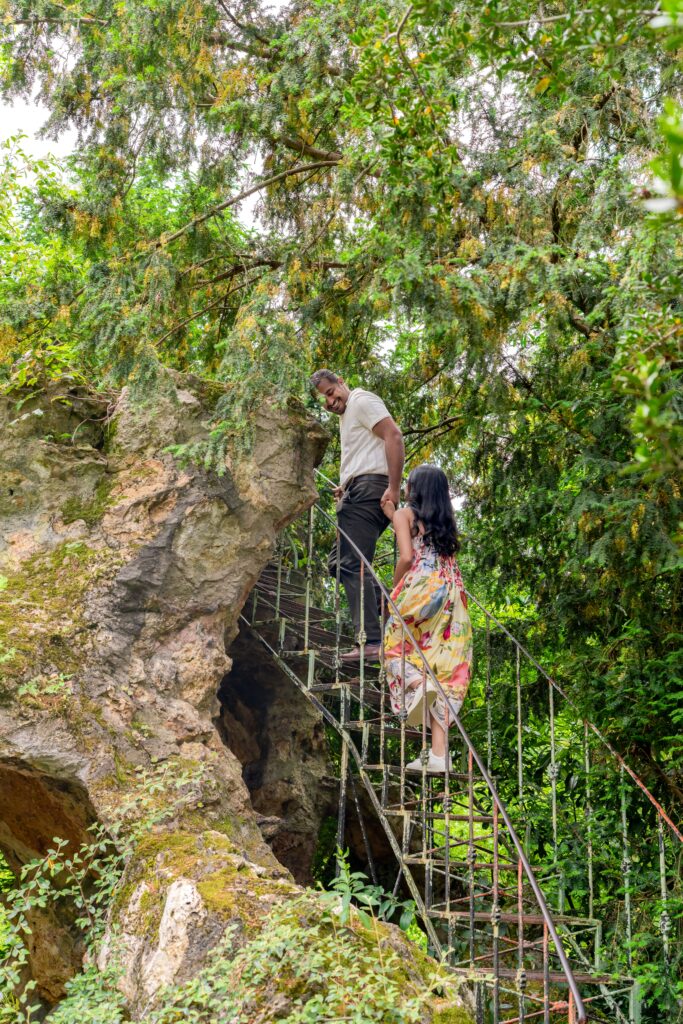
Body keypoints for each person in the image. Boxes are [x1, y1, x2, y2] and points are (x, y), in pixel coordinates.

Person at [382, 465, 472, 772]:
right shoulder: (445, 523)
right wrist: (391, 515)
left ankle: (417, 683)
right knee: (444, 673)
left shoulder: (405, 515)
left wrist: (392, 591)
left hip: (421, 589)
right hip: (452, 597)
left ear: (413, 490)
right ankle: (438, 754)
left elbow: (407, 557)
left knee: (395, 649)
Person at [310, 369, 404, 662]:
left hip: (369, 491)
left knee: (353, 564)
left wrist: (393, 487)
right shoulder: (347, 415)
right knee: (339, 563)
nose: (329, 401)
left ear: (340, 381)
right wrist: (347, 483)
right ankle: (387, 603)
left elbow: (393, 435)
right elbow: (366, 453)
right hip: (357, 491)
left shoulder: (361, 401)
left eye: (329, 392)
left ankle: (372, 642)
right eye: (323, 400)